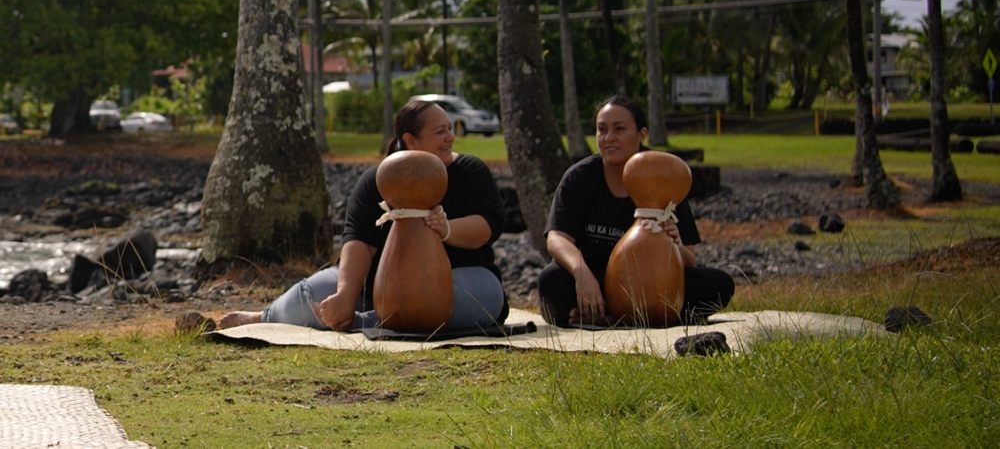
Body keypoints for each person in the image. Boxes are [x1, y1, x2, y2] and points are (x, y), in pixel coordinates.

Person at [219, 100, 508, 331]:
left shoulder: (471, 171)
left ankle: (363, 322)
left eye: (450, 129)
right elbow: (358, 241)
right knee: (312, 295)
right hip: (378, 286)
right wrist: (345, 294)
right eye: (440, 132)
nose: (450, 137)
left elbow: (487, 227)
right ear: (411, 139)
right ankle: (265, 317)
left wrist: (447, 229)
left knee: (482, 299)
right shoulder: (376, 180)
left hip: (456, 279)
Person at [538, 94, 734, 327]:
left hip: (655, 284)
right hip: (595, 280)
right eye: (602, 130)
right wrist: (581, 274)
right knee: (551, 281)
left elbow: (689, 260)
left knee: (718, 283)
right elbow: (557, 238)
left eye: (619, 129)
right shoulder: (580, 177)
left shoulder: (664, 174)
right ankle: (627, 313)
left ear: (641, 134)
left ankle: (612, 315)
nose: (609, 138)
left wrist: (675, 244)